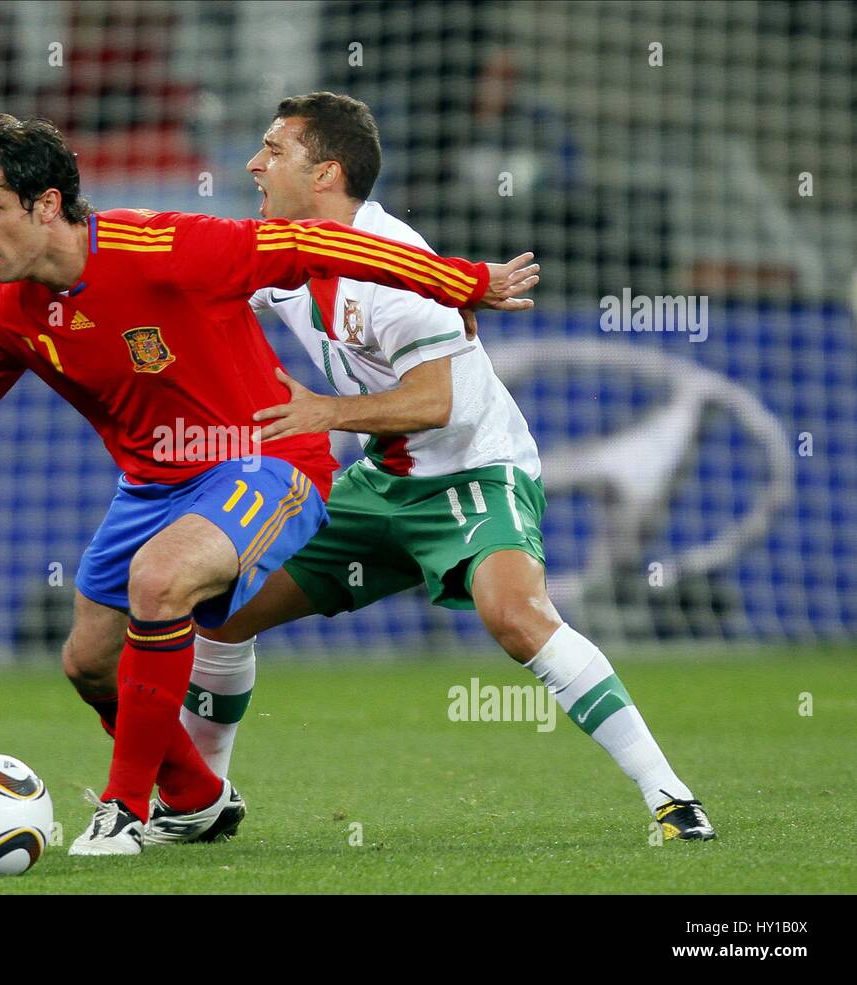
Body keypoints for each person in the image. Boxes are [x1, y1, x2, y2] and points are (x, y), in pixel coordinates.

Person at [0, 112, 540, 856]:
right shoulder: (9, 309)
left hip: (266, 459)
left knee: (159, 579)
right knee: (88, 662)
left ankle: (124, 809)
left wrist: (462, 280)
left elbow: (316, 246)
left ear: (48, 204)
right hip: (154, 487)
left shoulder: (169, 246)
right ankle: (199, 796)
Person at [145, 92, 713, 844]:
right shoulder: (279, 251)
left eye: (274, 150)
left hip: (475, 469)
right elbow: (183, 263)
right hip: (382, 479)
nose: (254, 163)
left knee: (515, 616)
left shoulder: (392, 267)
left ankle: (671, 797)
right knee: (221, 607)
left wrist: (325, 412)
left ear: (327, 174)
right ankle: (202, 803)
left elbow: (437, 400)